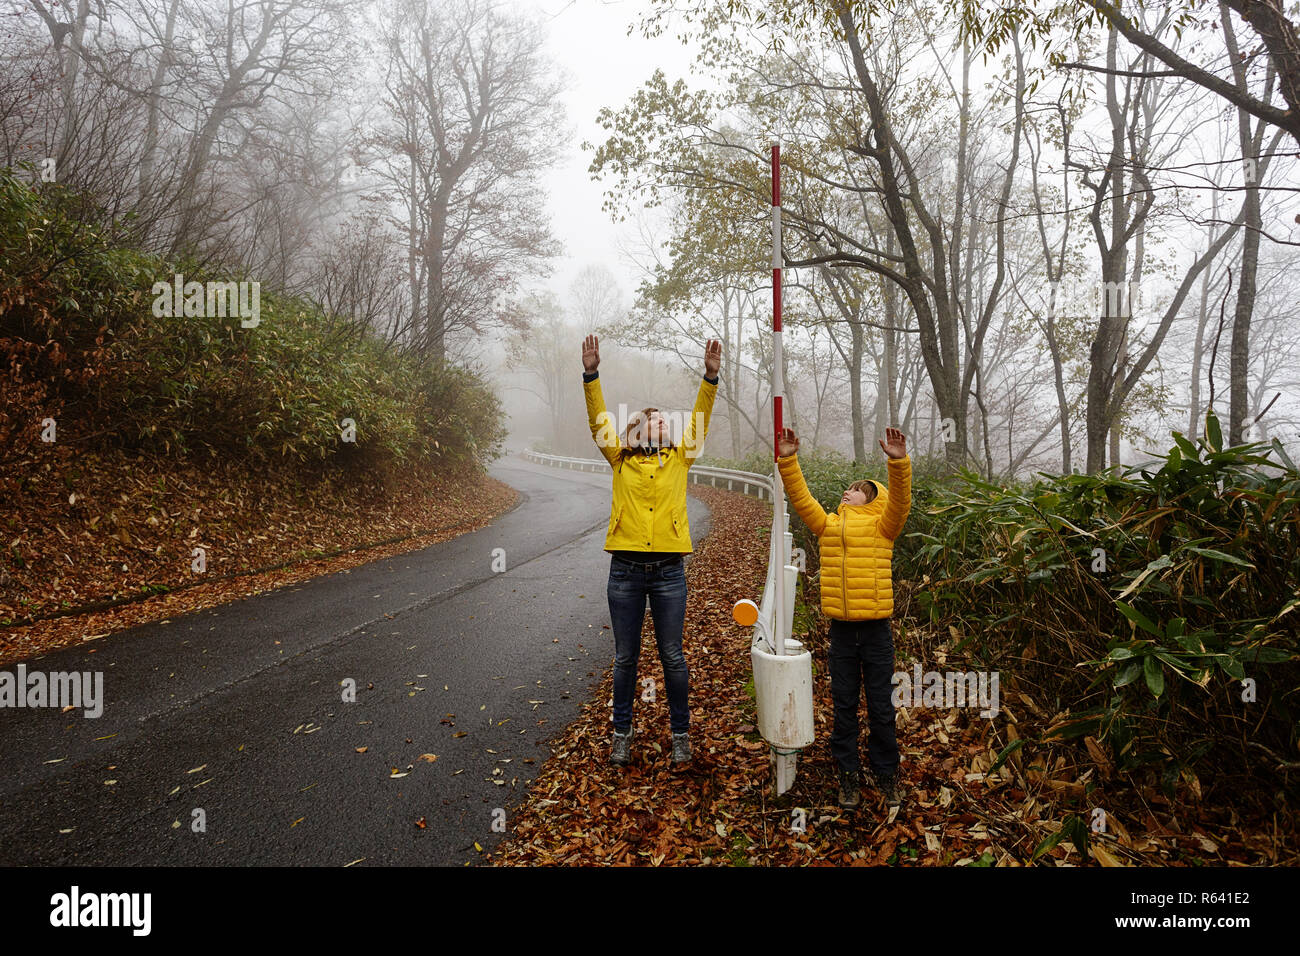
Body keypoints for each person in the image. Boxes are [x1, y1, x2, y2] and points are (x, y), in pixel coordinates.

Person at [581, 333, 720, 767]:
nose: (666, 423)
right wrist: (591, 374)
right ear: (639, 427)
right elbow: (598, 420)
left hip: (668, 572)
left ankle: (681, 734)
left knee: (673, 657)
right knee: (625, 659)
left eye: (666, 420)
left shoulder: (681, 458)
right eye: (658, 420)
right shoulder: (619, 457)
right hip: (624, 571)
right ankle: (622, 732)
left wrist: (710, 377)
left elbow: (700, 419)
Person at [775, 424, 912, 809]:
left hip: (876, 632)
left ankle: (887, 773)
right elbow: (802, 501)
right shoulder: (829, 525)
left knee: (882, 707)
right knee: (844, 705)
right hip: (841, 633)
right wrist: (789, 459)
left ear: (869, 500)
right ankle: (847, 775)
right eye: (848, 488)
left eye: (855, 489)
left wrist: (898, 464)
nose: (847, 492)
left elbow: (900, 502)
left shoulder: (885, 527)